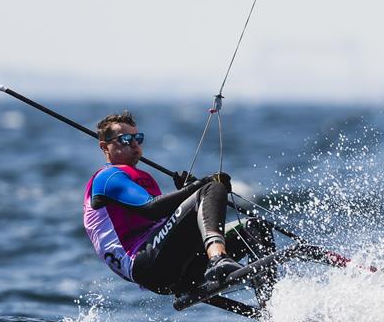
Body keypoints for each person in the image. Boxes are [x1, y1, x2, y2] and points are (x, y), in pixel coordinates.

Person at [82, 111, 276, 304]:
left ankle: (271, 309)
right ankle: (218, 259)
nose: (134, 144)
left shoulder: (142, 178)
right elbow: (152, 209)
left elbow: (162, 221)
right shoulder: (107, 178)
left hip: (175, 264)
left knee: (256, 228)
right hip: (146, 265)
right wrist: (198, 188)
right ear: (105, 147)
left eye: (137, 138)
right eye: (124, 139)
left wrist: (188, 191)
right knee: (212, 187)